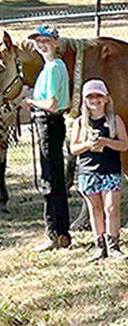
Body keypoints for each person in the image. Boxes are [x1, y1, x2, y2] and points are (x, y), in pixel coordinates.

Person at [69, 79, 128, 260]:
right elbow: (73, 148)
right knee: (95, 209)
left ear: (106, 99)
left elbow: (124, 145)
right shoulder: (80, 123)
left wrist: (106, 142)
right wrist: (88, 144)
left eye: (98, 96)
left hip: (110, 169)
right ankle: (99, 244)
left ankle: (114, 245)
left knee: (111, 207)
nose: (94, 101)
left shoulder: (114, 120)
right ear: (84, 101)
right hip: (88, 171)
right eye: (90, 97)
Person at [22, 24, 71, 251]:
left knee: (49, 179)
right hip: (53, 123)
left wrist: (32, 103)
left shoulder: (52, 68)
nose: (42, 44)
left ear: (55, 43)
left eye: (46, 40)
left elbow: (51, 103)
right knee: (55, 177)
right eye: (38, 41)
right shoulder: (55, 66)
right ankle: (61, 232)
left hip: (48, 122)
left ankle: (54, 233)